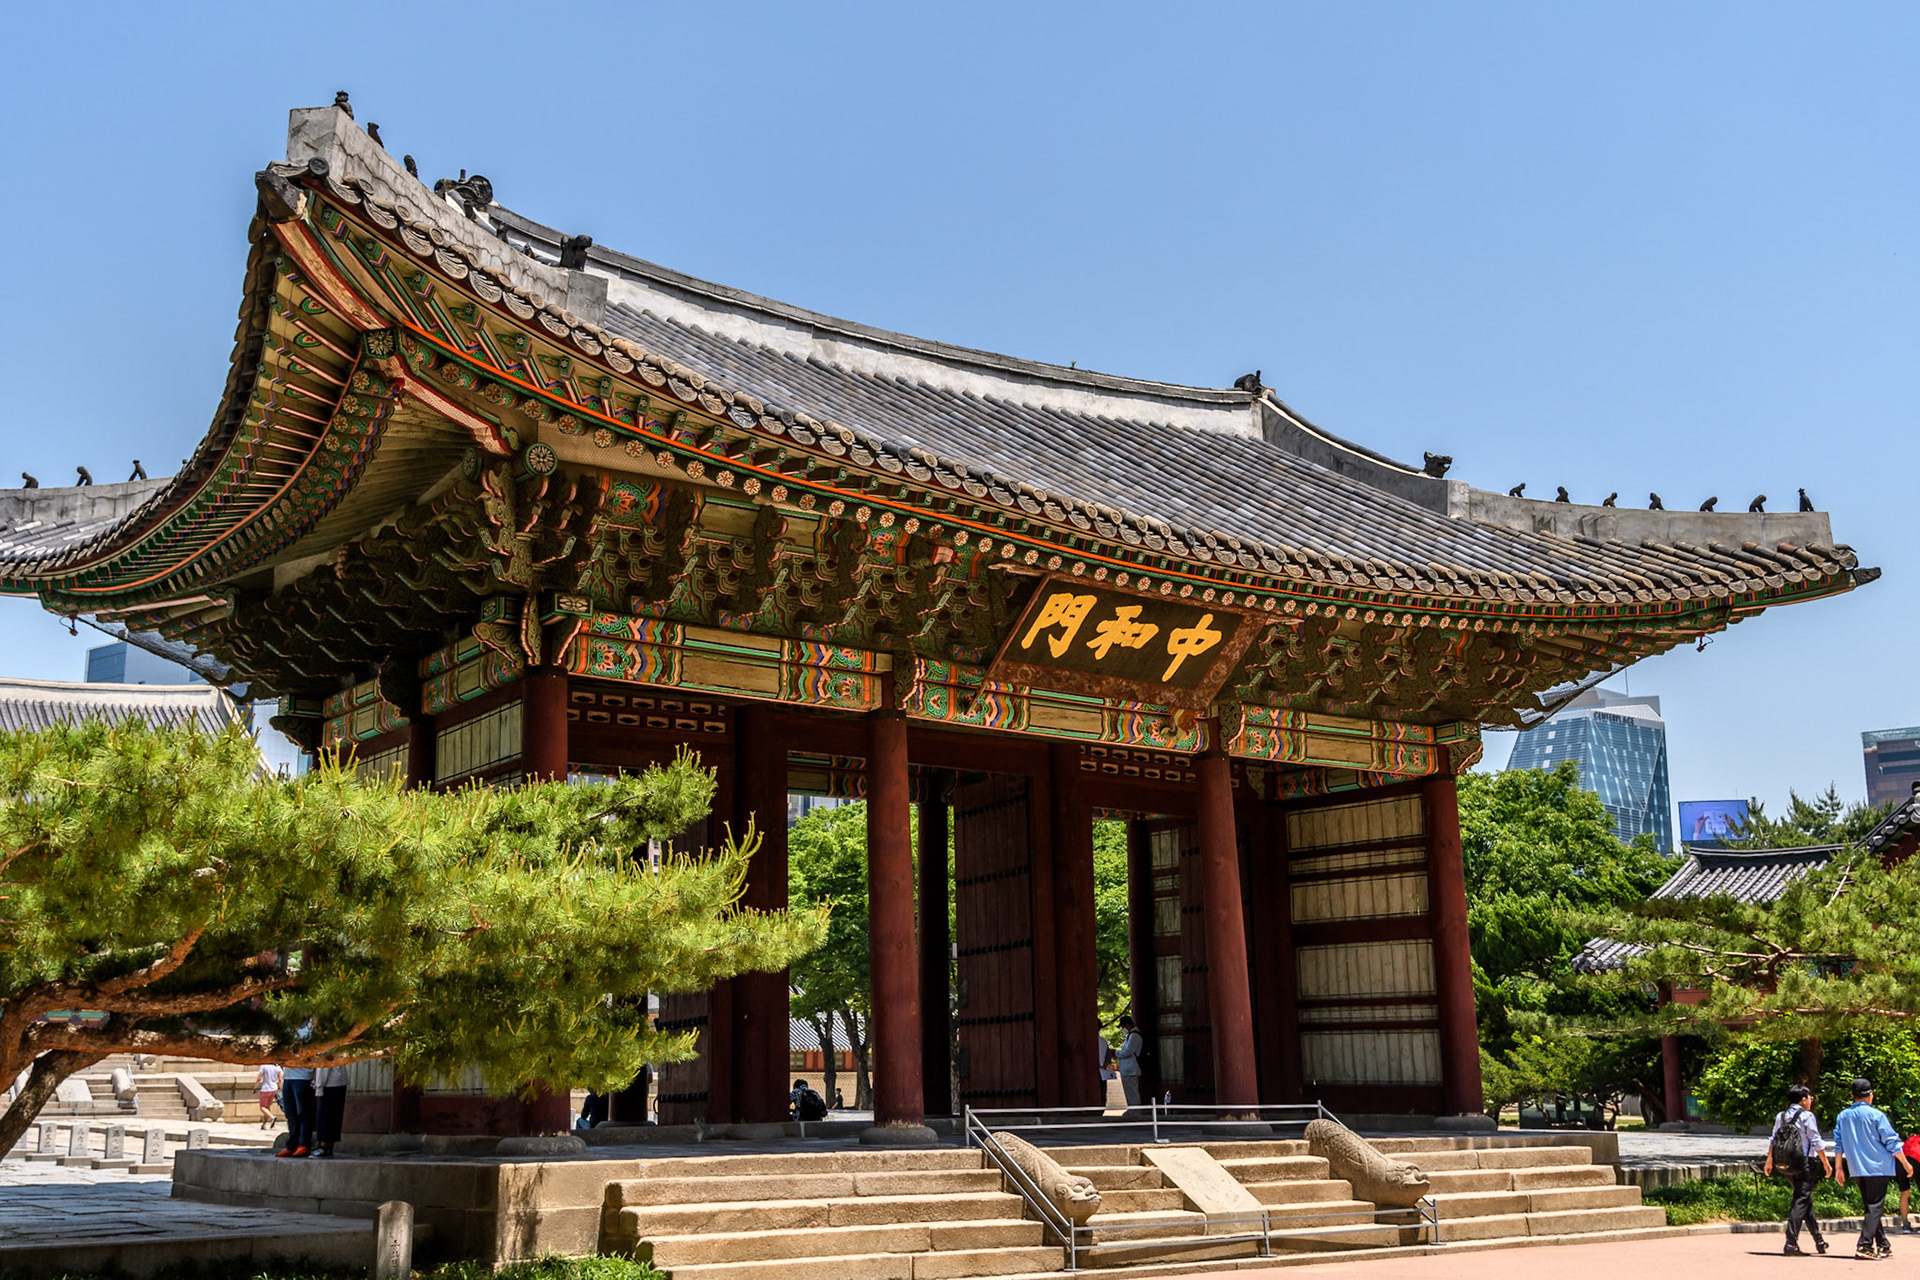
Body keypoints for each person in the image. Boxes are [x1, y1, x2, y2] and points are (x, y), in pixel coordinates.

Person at [1835, 1076, 1916, 1259]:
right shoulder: (1876, 1115)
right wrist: (1905, 1163)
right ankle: (1864, 1246)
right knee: (1875, 1207)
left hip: (1856, 1168)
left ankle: (1883, 1245)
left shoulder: (1843, 1116)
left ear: (1852, 1095)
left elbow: (1838, 1143)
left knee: (1871, 1207)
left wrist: (1839, 1168)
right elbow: (1892, 1142)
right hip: (1878, 1167)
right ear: (1870, 1095)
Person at [1763, 1084, 1831, 1256]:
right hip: (1804, 1163)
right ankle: (1791, 1242)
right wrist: (1826, 1163)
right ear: (1803, 1099)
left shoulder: (1782, 1116)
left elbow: (1773, 1139)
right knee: (1800, 1200)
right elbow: (1815, 1140)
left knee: (1804, 1200)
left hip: (1785, 1164)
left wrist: (1769, 1161)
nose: (1811, 1101)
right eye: (1809, 1098)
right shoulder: (1807, 1116)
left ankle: (1819, 1240)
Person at [277, 1063, 316, 1158]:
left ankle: (304, 1144)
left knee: (303, 1113)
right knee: (290, 1113)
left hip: (303, 1077)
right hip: (288, 1077)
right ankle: (292, 1146)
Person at [312, 1064, 349, 1158]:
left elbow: (323, 1068)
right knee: (335, 1116)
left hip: (329, 1085)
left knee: (324, 1116)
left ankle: (323, 1146)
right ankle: (329, 1146)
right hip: (340, 1082)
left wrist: (319, 1087)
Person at [1113, 1016, 1144, 1114]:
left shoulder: (1134, 1036)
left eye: (1122, 1027)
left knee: (1132, 1093)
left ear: (1126, 1025)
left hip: (1130, 1069)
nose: (1122, 1029)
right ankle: (1132, 1111)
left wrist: (1115, 1053)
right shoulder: (1130, 1036)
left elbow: (1128, 1052)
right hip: (1127, 1069)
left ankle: (1135, 1113)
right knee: (1129, 1093)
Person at [255, 1063, 282, 1130]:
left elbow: (259, 1078)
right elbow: (280, 1079)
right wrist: (282, 1089)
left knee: (262, 1107)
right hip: (274, 1088)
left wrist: (255, 1087)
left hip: (265, 1089)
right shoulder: (278, 1067)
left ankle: (272, 1117)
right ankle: (264, 1124)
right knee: (267, 1107)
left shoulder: (264, 1066)